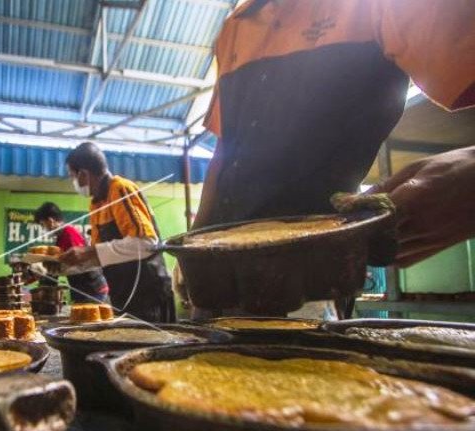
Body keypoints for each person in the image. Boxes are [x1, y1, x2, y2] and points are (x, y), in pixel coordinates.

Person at [190, 0, 474, 315]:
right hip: (218, 271)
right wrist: (193, 244)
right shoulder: (235, 26)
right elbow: (225, 149)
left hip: (306, 279)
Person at [58, 142, 175, 323]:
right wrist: (62, 265)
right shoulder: (96, 203)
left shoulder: (120, 188)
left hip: (148, 296)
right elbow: (101, 255)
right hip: (123, 294)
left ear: (83, 174)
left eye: (72, 176)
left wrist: (89, 251)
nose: (73, 182)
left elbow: (147, 243)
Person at [33, 201, 109, 303]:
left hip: (92, 289)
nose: (44, 228)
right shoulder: (60, 238)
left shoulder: (69, 234)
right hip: (82, 289)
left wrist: (48, 270)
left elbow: (77, 263)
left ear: (50, 221)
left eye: (43, 224)